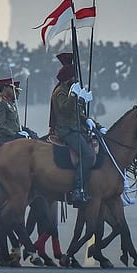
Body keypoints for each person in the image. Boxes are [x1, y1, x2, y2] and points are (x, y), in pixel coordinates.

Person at [49, 55, 95, 205]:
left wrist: (89, 121)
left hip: (76, 127)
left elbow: (77, 112)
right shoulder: (60, 92)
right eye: (73, 77)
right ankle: (77, 189)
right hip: (66, 130)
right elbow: (64, 110)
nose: (75, 80)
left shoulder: (69, 90)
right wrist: (74, 95)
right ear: (67, 78)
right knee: (87, 155)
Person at [0, 78, 27, 144]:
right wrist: (15, 135)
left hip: (14, 139)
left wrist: (24, 130)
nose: (15, 91)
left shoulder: (11, 103)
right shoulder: (1, 104)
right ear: (5, 88)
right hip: (6, 140)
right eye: (12, 88)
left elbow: (14, 124)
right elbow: (0, 125)